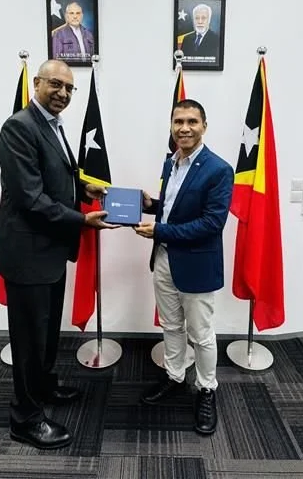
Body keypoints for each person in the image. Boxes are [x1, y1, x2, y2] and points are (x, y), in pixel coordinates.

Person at [0, 59, 116, 449]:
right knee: (28, 339)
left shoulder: (52, 126)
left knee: (45, 334)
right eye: (55, 84)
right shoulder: (19, 127)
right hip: (28, 252)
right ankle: (25, 419)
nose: (62, 92)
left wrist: (86, 193)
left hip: (49, 251)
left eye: (68, 87)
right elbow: (31, 197)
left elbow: (57, 178)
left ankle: (44, 389)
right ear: (37, 83)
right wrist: (82, 221)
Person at [133, 99, 233, 436]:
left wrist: (160, 230)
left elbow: (211, 223)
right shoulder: (170, 163)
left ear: (205, 125)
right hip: (163, 258)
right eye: (178, 121)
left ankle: (207, 389)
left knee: (201, 334)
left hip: (196, 265)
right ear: (171, 126)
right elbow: (176, 208)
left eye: (192, 121)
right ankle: (175, 377)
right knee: (172, 326)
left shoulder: (219, 169)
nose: (184, 128)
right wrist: (152, 206)